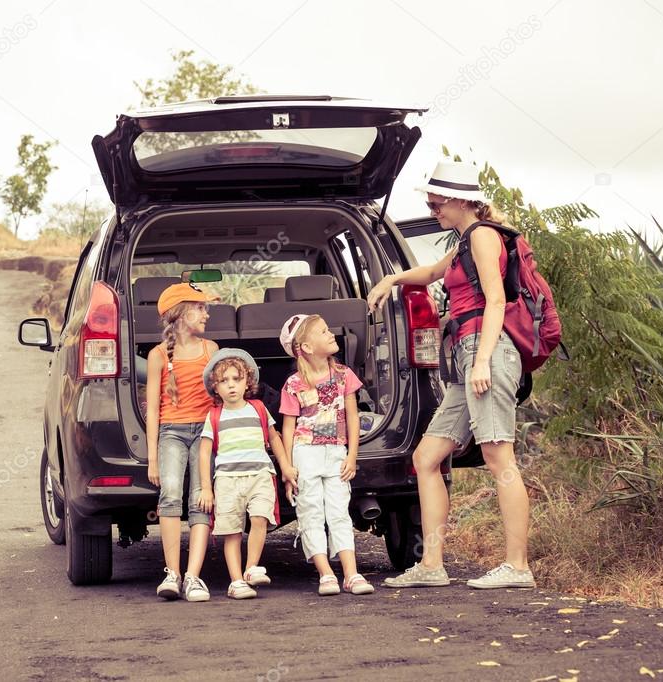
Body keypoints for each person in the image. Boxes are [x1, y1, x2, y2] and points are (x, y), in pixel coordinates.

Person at [368, 160, 534, 590]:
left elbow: (495, 301)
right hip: (468, 359)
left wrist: (481, 362)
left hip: (487, 354)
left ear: (461, 200)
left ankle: (517, 567)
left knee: (500, 459)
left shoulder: (481, 236)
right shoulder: (464, 242)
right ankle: (432, 565)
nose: (432, 207)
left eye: (436, 201)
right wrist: (391, 278)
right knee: (425, 459)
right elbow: (430, 273)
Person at [279, 314, 375, 596]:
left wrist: (352, 455)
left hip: (336, 451)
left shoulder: (345, 375)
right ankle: (326, 573)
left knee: (338, 512)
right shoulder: (293, 384)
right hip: (304, 453)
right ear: (306, 347)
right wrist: (287, 468)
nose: (331, 333)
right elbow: (288, 428)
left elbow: (353, 417)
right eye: (323, 331)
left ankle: (352, 573)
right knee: (309, 511)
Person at [196, 349, 298, 600]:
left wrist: (285, 467)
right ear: (215, 388)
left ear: (247, 382)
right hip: (228, 480)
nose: (231, 385)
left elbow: (274, 439)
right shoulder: (214, 415)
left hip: (260, 475)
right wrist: (206, 488)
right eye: (224, 381)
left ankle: (251, 567)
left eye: (236, 379)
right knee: (231, 531)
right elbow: (204, 453)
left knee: (260, 518)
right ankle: (236, 581)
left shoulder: (259, 408)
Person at [146, 282, 219, 601]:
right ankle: (172, 573)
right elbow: (152, 410)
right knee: (171, 492)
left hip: (204, 433)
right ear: (180, 315)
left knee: (201, 498)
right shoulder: (158, 355)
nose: (206, 314)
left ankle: (193, 576)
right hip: (172, 432)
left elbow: (220, 402)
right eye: (199, 308)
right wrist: (152, 458)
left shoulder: (211, 350)